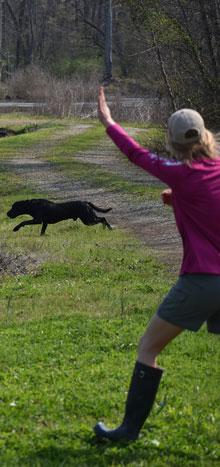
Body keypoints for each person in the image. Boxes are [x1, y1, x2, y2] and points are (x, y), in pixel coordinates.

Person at [94, 87, 220, 442]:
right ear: (206, 134)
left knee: (148, 347)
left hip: (201, 281)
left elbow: (136, 154)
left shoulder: (182, 174)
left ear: (173, 143)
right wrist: (179, 203)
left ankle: (127, 432)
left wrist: (109, 122)